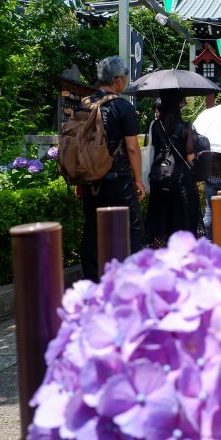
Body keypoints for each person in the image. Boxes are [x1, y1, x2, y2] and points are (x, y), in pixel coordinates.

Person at [79, 56, 145, 281]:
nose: (125, 82)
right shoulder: (122, 107)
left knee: (92, 230)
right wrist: (138, 180)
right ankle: (130, 281)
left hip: (90, 181)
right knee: (132, 229)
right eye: (125, 78)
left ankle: (93, 282)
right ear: (117, 80)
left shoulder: (84, 104)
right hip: (118, 180)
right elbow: (132, 148)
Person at [145, 90, 204, 247]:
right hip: (181, 181)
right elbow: (190, 157)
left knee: (162, 219)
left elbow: (150, 149)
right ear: (178, 105)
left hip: (159, 178)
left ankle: (162, 253)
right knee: (182, 219)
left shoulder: (155, 126)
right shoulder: (186, 127)